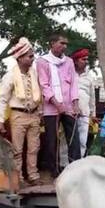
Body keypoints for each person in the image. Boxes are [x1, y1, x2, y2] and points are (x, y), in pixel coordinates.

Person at [0, 37, 42, 186]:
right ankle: (18, 178)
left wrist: (40, 113)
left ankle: (33, 176)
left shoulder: (34, 73)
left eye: (33, 55)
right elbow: (2, 99)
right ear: (20, 58)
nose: (33, 58)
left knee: (34, 148)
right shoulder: (10, 76)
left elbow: (39, 95)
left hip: (34, 114)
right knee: (17, 150)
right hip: (18, 115)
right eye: (30, 56)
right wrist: (0, 121)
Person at [37, 32, 81, 178]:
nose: (65, 46)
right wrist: (57, 104)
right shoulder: (42, 61)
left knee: (73, 138)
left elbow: (74, 83)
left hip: (68, 107)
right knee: (52, 140)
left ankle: (76, 167)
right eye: (62, 43)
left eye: (66, 44)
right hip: (51, 108)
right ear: (52, 44)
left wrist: (75, 103)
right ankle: (54, 171)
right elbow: (44, 85)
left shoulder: (68, 61)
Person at [70, 48, 95, 157]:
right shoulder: (69, 74)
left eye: (86, 59)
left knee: (82, 140)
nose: (86, 61)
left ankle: (78, 163)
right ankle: (64, 165)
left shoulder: (89, 77)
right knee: (68, 140)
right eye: (83, 59)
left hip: (84, 114)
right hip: (70, 113)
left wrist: (92, 114)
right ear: (75, 61)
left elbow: (92, 97)